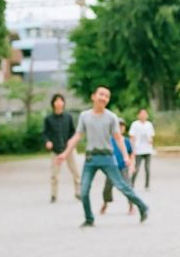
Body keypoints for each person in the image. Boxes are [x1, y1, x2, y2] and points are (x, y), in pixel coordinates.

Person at [56, 86, 149, 227]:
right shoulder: (84, 116)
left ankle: (142, 206)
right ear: (93, 96)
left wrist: (125, 156)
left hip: (107, 157)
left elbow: (118, 138)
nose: (103, 98)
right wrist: (64, 153)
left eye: (107, 96)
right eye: (101, 94)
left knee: (121, 185)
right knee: (84, 189)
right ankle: (89, 219)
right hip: (91, 158)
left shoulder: (111, 117)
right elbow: (77, 136)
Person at [43, 93, 81, 203]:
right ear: (53, 103)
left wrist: (72, 141)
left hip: (69, 149)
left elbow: (73, 131)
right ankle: (54, 195)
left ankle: (78, 192)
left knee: (76, 172)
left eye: (61, 100)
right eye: (56, 101)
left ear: (64, 103)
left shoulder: (68, 117)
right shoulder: (48, 119)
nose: (59, 103)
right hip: (56, 150)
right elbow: (45, 133)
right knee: (54, 174)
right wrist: (47, 142)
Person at [100, 118, 134, 215]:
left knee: (127, 186)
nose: (120, 128)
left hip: (123, 167)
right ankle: (105, 203)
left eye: (122, 126)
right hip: (111, 167)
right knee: (107, 187)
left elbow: (131, 154)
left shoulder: (126, 141)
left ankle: (131, 205)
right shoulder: (109, 140)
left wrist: (131, 164)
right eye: (118, 126)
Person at [129, 109, 154, 190]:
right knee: (137, 167)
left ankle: (147, 185)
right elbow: (132, 137)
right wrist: (132, 149)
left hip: (147, 149)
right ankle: (131, 183)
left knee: (147, 168)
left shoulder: (149, 124)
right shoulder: (135, 124)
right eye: (142, 114)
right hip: (138, 149)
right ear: (138, 115)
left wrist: (150, 140)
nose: (143, 115)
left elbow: (151, 136)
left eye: (145, 114)